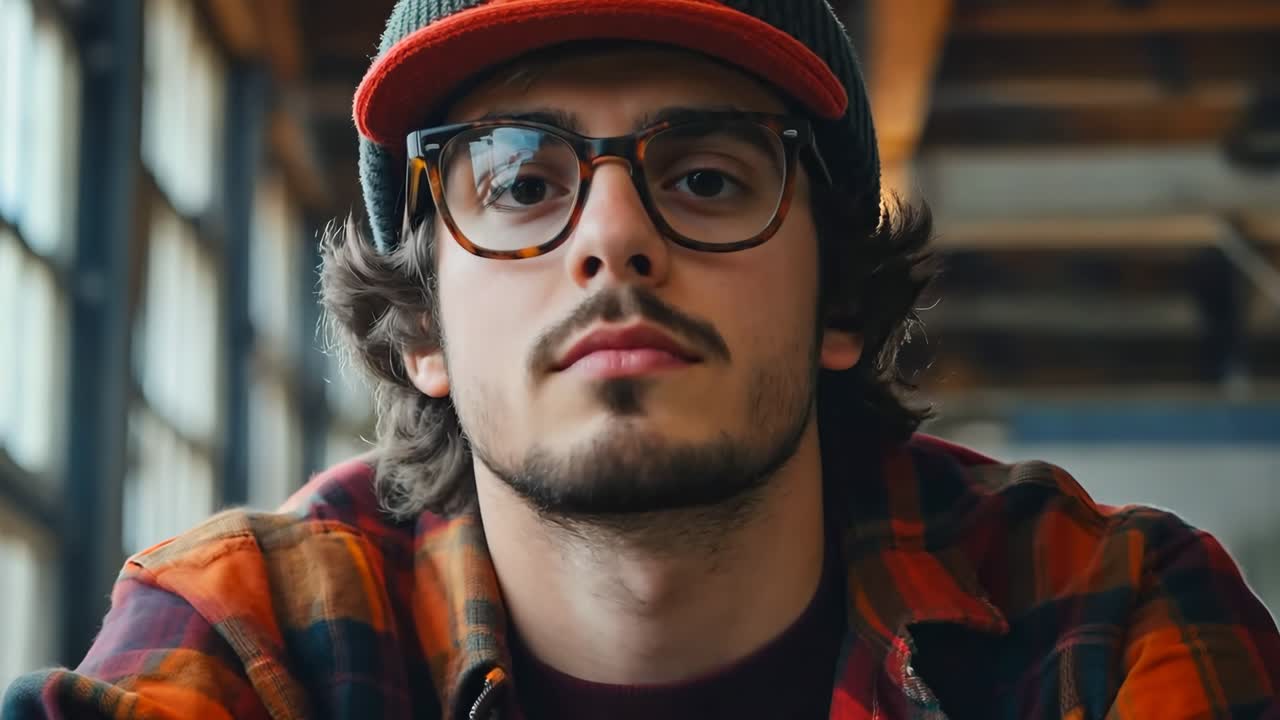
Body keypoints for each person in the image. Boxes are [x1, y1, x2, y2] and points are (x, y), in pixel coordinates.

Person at [5, 1, 1279, 718]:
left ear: (837, 298)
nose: (612, 239)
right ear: (425, 330)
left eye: (708, 176)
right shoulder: (255, 639)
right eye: (518, 181)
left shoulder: (1101, 616)